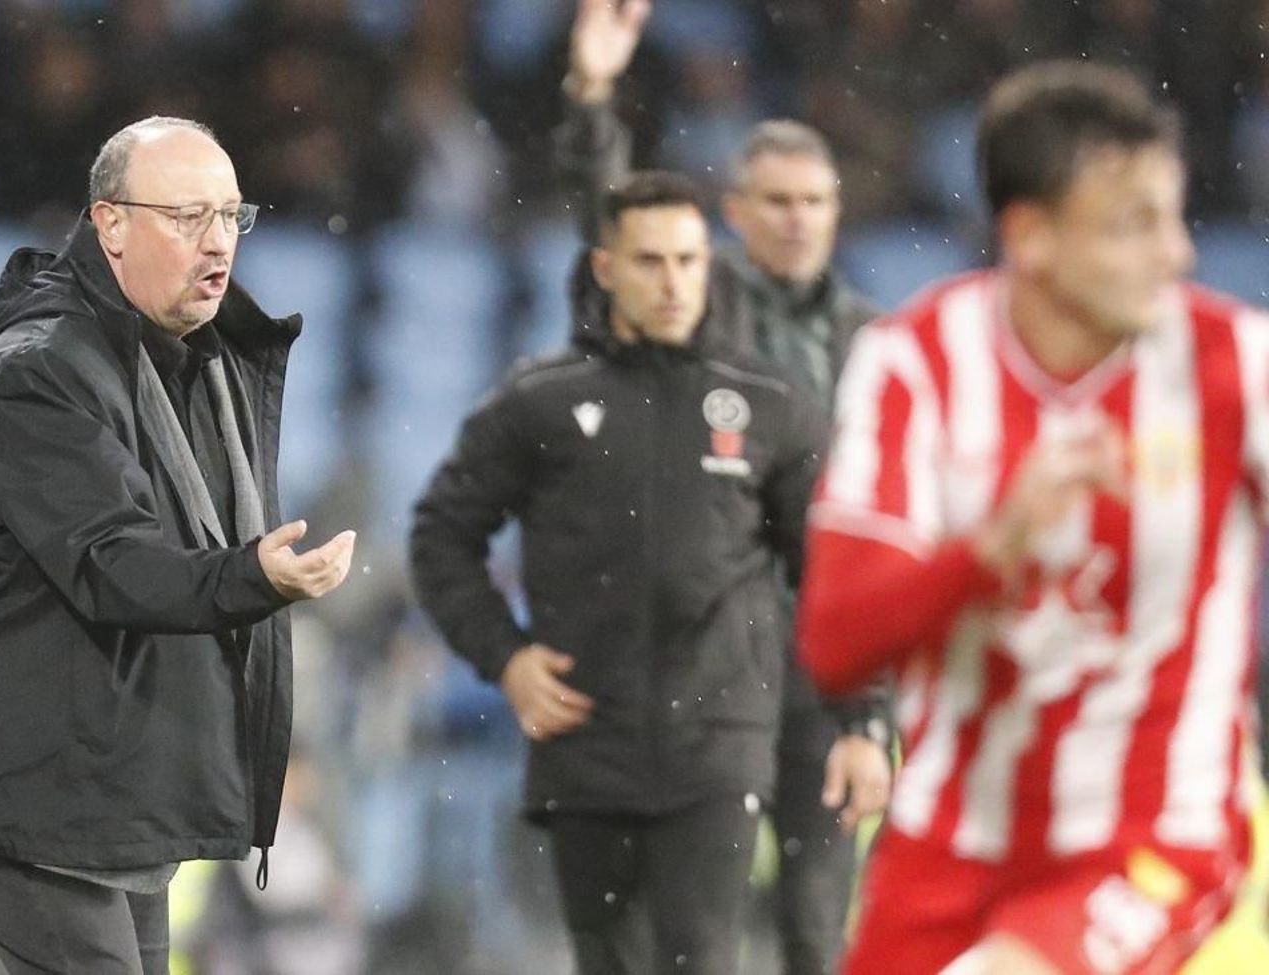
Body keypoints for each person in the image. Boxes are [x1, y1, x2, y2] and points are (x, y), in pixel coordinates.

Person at [798, 61, 1255, 974]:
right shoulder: (917, 365)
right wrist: (991, 546)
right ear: (1032, 235)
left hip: (1149, 834)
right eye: (1135, 225)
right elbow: (835, 642)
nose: (1178, 254)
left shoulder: (1233, 365)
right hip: (943, 848)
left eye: (1172, 217)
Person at [0, 116, 356, 975]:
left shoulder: (191, 357)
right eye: (186, 217)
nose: (218, 244)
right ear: (110, 223)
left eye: (230, 218)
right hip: (26, 780)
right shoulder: (36, 372)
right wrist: (253, 576)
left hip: (110, 775)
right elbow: (111, 563)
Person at [411, 169, 872, 974]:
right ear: (606, 268)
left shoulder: (767, 405)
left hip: (718, 743)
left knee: (701, 958)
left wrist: (863, 719)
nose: (673, 282)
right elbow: (439, 535)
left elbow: (833, 574)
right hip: (582, 739)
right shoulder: (542, 402)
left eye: (690, 261)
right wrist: (506, 657)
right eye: (652, 261)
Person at [557, 3, 893, 971]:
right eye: (776, 202)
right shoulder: (692, 310)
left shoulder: (879, 345)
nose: (798, 221)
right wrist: (591, 99)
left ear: (838, 209)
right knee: (688, 931)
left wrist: (871, 712)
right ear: (736, 215)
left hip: (826, 662)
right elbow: (610, 230)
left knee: (818, 926)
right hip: (715, 661)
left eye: (815, 202)